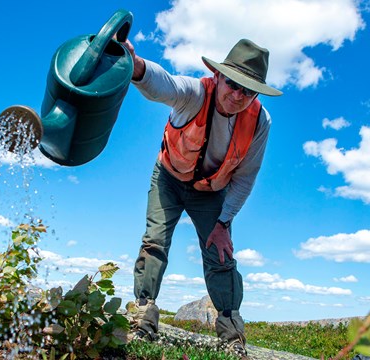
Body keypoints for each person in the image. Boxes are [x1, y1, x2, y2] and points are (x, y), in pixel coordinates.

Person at [124, 38, 282, 358]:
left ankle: (231, 334)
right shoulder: (195, 93)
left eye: (247, 91)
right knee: (155, 240)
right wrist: (137, 67)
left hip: (211, 193)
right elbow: (164, 84)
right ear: (218, 76)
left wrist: (224, 221)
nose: (237, 95)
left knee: (220, 256)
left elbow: (245, 177)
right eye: (232, 84)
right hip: (168, 178)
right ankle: (142, 317)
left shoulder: (260, 122)